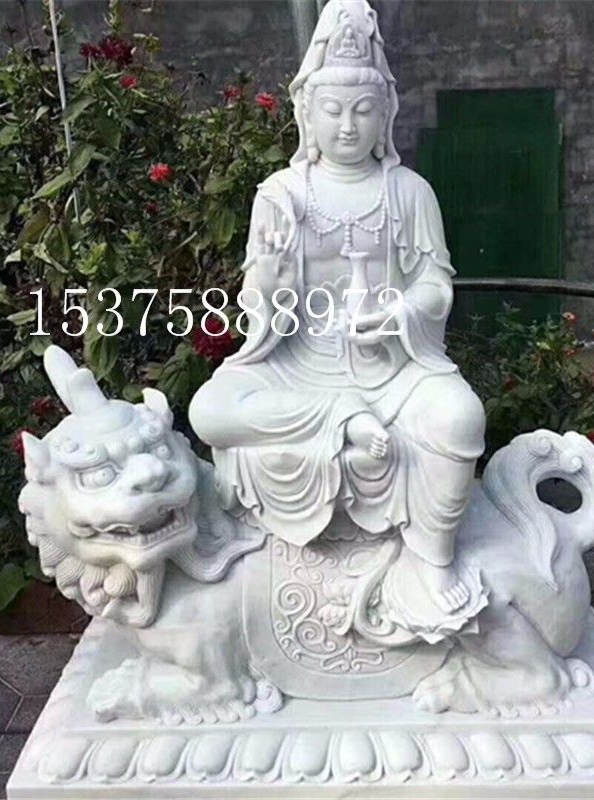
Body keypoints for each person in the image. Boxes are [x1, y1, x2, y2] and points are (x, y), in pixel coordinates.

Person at [190, 0, 487, 629]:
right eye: (332, 110)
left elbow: (437, 285)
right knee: (208, 411)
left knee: (460, 417)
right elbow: (260, 311)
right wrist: (270, 278)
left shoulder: (409, 192)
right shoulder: (281, 194)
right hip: (299, 365)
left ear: (385, 115)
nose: (347, 126)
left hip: (391, 365)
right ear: (306, 114)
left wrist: (401, 310)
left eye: (362, 110)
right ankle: (342, 420)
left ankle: (431, 561)